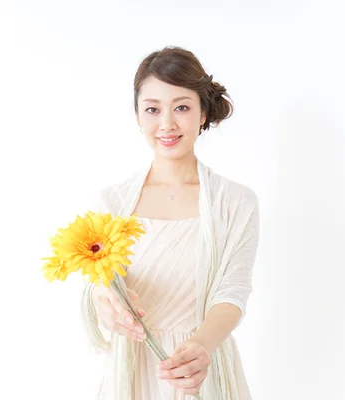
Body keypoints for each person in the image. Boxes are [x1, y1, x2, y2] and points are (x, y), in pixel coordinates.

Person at [81, 46, 260, 399]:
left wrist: (202, 347)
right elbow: (96, 285)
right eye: (152, 109)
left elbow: (233, 292)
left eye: (181, 107)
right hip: (131, 374)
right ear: (137, 115)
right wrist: (105, 301)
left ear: (203, 112)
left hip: (201, 370)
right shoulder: (111, 203)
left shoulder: (235, 203)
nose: (167, 124)